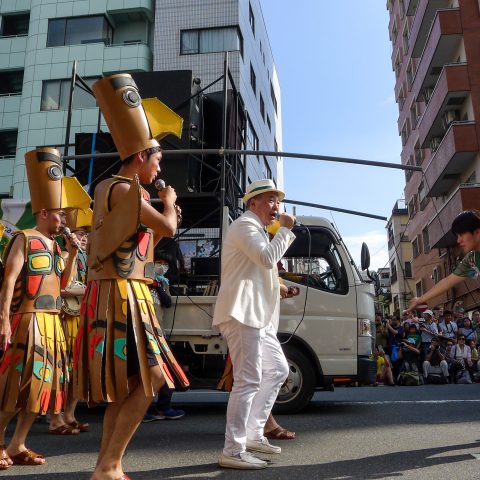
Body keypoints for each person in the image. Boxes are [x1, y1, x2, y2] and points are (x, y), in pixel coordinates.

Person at [73, 73, 188, 480]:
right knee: (153, 379)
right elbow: (169, 228)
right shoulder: (126, 190)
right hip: (123, 295)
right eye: (157, 160)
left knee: (126, 387)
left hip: (117, 293)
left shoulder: (111, 187)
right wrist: (169, 201)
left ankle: (109, 464)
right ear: (141, 156)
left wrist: (157, 206)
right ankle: (107, 464)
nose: (159, 168)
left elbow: (140, 235)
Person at [0, 148, 90, 468]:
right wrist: (4, 320)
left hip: (53, 322)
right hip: (28, 319)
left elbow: (63, 281)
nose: (63, 219)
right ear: (42, 212)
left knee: (42, 390)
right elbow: (9, 280)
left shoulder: (54, 244)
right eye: (59, 214)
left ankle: (17, 444)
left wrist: (72, 253)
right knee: (16, 388)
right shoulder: (24, 238)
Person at [212, 179, 296, 470]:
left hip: (255, 315)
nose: (276, 206)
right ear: (253, 203)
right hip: (242, 312)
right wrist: (285, 229)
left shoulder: (255, 229)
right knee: (248, 380)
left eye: (278, 201)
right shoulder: (245, 225)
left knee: (278, 370)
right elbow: (266, 257)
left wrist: (280, 286)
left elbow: (259, 268)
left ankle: (253, 434)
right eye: (270, 200)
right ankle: (232, 450)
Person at [49, 208, 92, 435]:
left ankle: (69, 414)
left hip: (79, 317)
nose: (82, 238)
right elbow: (59, 287)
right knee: (62, 368)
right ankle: (56, 417)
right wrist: (83, 292)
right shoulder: (65, 256)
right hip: (65, 318)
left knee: (77, 369)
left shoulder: (86, 258)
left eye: (85, 236)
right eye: (79, 234)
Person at [408, 211, 480, 314]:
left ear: (477, 232)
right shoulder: (472, 259)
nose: (458, 240)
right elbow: (447, 281)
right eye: (457, 236)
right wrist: (420, 299)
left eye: (461, 234)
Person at [143, 256, 185, 422]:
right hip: (144, 331)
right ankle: (142, 409)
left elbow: (167, 303)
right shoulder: (141, 282)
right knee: (148, 372)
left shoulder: (163, 282)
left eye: (165, 264)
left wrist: (158, 286)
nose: (162, 266)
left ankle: (164, 406)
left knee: (168, 369)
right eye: (159, 263)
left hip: (159, 332)